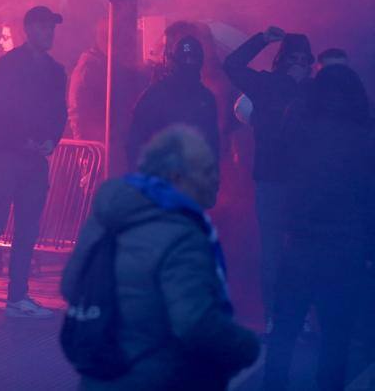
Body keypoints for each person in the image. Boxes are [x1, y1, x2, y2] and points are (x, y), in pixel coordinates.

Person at [62, 125, 260, 389]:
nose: (215, 180)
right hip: (159, 377)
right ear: (178, 177)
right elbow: (194, 322)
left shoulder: (107, 215)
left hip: (100, 372)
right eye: (206, 171)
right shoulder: (183, 235)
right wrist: (246, 346)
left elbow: (70, 284)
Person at [263, 65, 375, 391]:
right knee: (336, 336)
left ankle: (273, 386)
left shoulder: (300, 131)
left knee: (285, 330)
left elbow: (275, 167)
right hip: (346, 248)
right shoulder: (366, 136)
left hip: (301, 244)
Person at [0, 5, 67, 320]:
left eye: (52, 27)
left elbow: (58, 112)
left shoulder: (53, 70)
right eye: (44, 27)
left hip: (29, 159)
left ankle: (16, 295)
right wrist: (25, 139)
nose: (50, 33)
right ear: (30, 29)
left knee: (26, 229)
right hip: (6, 156)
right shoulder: (9, 66)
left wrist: (52, 138)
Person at [223, 26, 313, 327]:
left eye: (304, 59)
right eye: (294, 59)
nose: (299, 64)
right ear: (284, 61)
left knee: (296, 250)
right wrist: (260, 39)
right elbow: (232, 65)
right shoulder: (271, 86)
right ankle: (277, 318)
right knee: (275, 250)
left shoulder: (311, 90)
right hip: (276, 181)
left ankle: (297, 317)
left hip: (299, 182)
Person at [126, 36, 220, 168]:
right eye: (186, 60)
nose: (189, 64)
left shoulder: (155, 93)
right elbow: (136, 139)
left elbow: (212, 141)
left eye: (192, 59)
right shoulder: (205, 97)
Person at [68, 19, 108, 142]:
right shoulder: (89, 66)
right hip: (95, 147)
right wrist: (85, 149)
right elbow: (77, 110)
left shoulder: (109, 64)